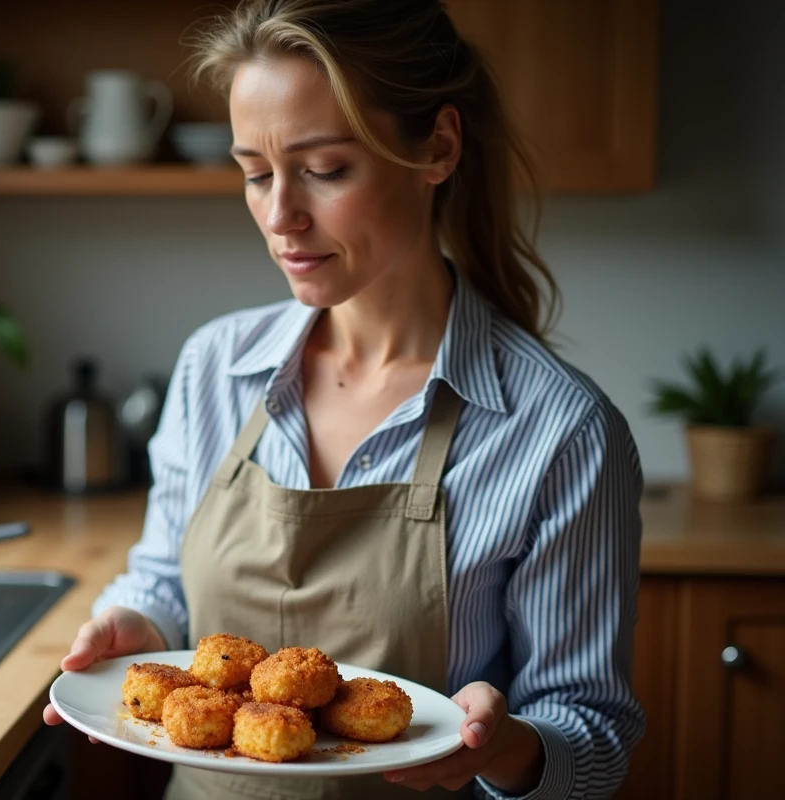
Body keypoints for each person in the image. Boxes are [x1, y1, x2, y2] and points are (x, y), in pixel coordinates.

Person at [43, 0, 645, 797]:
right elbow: (161, 577)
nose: (280, 216)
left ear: (437, 147)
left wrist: (500, 748)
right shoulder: (213, 368)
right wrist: (136, 625)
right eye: (255, 174)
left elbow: (594, 738)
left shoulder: (562, 432)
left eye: (324, 170)